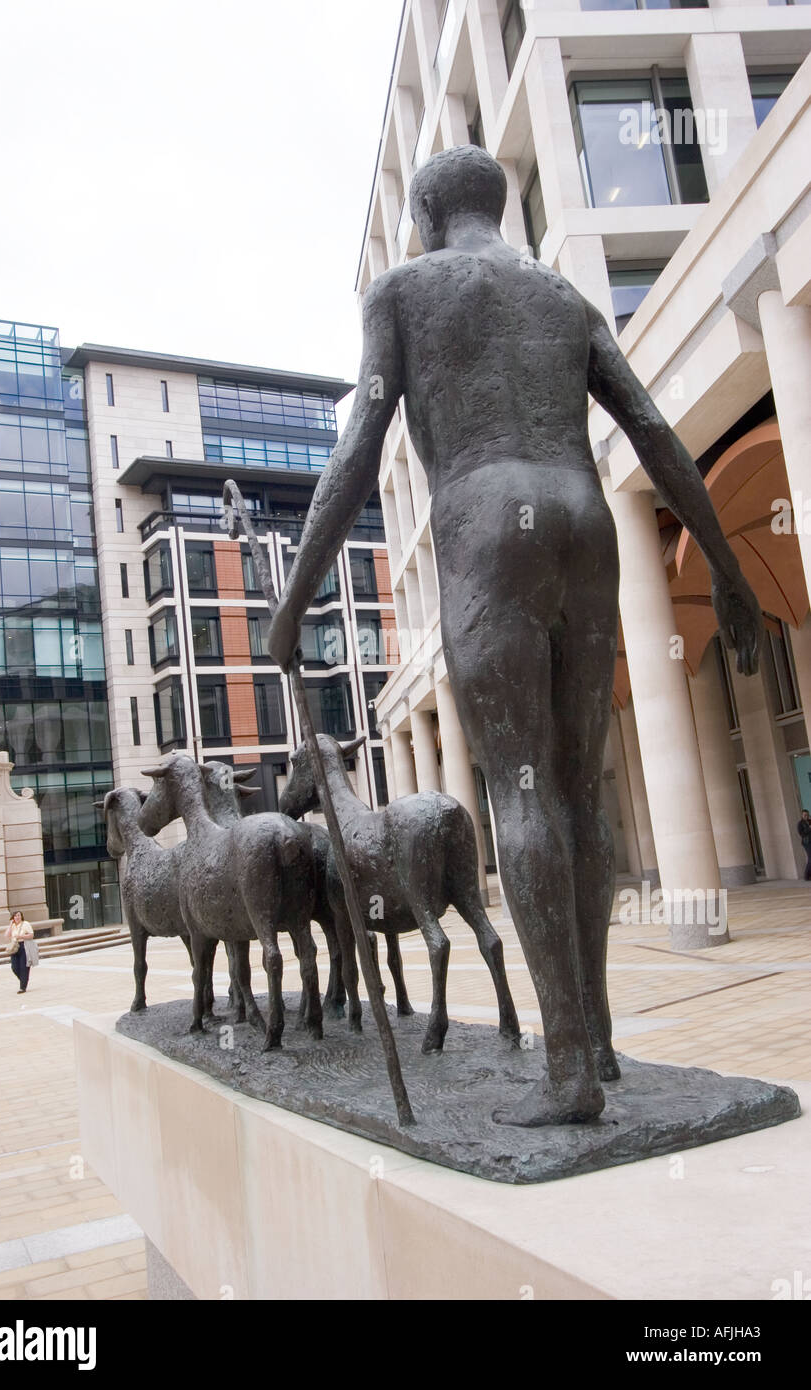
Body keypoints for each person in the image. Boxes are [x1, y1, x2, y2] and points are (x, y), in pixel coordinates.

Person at [267, 145, 762, 1126]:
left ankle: (569, 1065)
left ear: (420, 213)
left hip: (488, 521)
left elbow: (358, 447)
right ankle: (599, 1039)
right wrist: (728, 568)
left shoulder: (403, 291)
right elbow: (655, 432)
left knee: (520, 787)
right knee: (580, 787)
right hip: (583, 520)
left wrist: (293, 598)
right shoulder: (561, 298)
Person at [4, 909, 34, 994]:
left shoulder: (26, 924)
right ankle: (24, 980)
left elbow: (31, 935)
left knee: (23, 967)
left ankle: (22, 987)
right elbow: (6, 935)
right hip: (14, 947)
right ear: (13, 917)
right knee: (14, 967)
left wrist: (21, 936)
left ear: (21, 916)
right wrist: (10, 925)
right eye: (15, 915)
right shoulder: (12, 926)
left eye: (19, 915)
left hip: (24, 946)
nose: (17, 917)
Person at [798, 810, 811, 881]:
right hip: (807, 843)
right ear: (802, 815)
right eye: (805, 815)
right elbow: (801, 834)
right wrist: (809, 828)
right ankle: (806, 876)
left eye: (807, 815)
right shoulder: (800, 823)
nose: (806, 816)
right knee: (810, 859)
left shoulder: (810, 821)